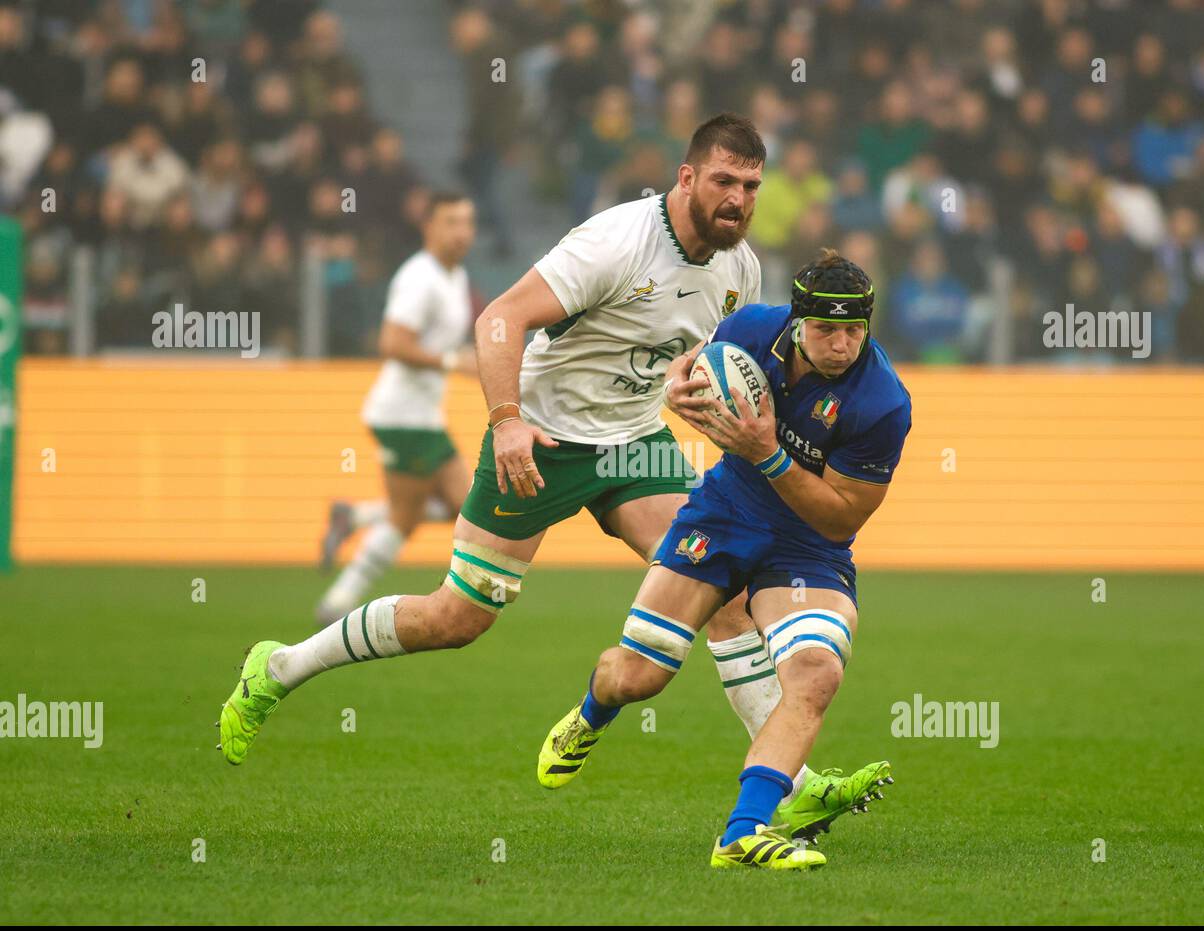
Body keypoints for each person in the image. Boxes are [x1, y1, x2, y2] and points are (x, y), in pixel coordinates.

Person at [219, 115, 885, 840]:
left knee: (723, 591)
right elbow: (500, 319)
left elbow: (694, 363)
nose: (738, 199)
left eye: (751, 185)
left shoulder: (740, 270)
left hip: (634, 445)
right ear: (686, 177)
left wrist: (681, 390)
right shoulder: (616, 242)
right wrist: (506, 419)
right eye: (724, 181)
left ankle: (790, 788)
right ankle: (280, 665)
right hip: (543, 437)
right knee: (457, 618)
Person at [537, 249, 910, 869]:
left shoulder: (882, 403)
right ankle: (589, 715)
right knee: (636, 677)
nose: (842, 345)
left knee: (816, 676)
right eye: (826, 329)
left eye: (854, 330)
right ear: (796, 322)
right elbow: (692, 367)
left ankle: (743, 833)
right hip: (723, 516)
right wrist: (681, 387)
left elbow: (842, 516)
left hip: (807, 547)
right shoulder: (750, 330)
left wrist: (768, 454)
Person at [316, 192, 478, 623]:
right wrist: (449, 362)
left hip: (420, 416)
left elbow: (439, 341)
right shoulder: (419, 277)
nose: (462, 232)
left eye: (467, 222)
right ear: (428, 226)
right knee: (426, 514)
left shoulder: (454, 276)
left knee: (456, 508)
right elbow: (392, 343)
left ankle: (354, 517)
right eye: (451, 222)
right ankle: (337, 601)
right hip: (403, 416)